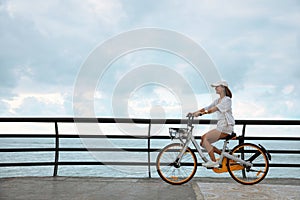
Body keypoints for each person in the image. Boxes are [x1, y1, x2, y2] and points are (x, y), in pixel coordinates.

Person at [191, 80, 235, 168]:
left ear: (223, 88)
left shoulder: (227, 100)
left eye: (217, 86)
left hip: (225, 127)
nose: (215, 88)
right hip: (220, 126)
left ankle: (214, 161)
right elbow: (207, 107)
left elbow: (212, 110)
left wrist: (201, 114)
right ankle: (225, 155)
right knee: (203, 142)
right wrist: (194, 113)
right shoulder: (218, 100)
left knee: (205, 139)